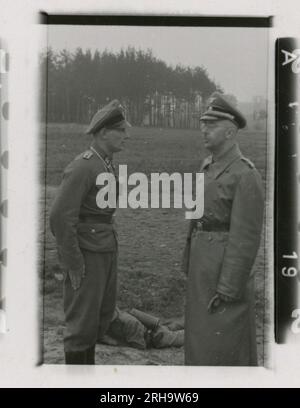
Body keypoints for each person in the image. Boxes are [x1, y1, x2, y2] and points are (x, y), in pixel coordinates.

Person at [183, 92, 264, 366]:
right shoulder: (207, 166)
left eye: (212, 125)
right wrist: (189, 260)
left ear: (230, 132)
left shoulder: (245, 174)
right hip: (202, 266)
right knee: (199, 338)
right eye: (203, 123)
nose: (204, 129)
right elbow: (196, 219)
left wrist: (229, 287)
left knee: (223, 344)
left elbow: (246, 238)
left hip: (223, 269)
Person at [50, 99, 131, 365]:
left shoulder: (106, 164)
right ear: (104, 132)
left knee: (98, 319)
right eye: (120, 129)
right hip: (87, 254)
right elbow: (61, 217)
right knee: (81, 325)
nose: (125, 135)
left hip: (104, 249)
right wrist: (73, 262)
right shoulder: (83, 166)